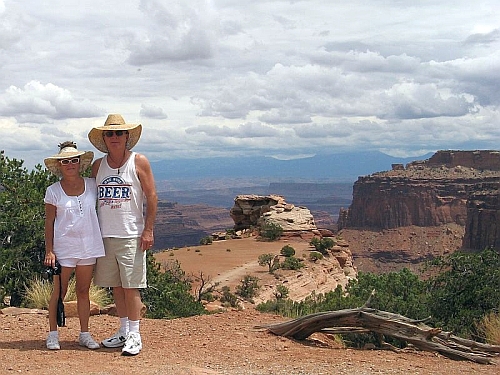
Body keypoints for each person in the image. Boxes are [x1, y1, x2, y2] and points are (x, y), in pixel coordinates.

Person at [88, 114, 157, 356]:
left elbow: (152, 197)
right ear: (104, 138)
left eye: (119, 133)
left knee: (132, 286)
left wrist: (148, 230)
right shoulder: (98, 166)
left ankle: (135, 335)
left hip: (131, 235)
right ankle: (124, 330)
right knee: (116, 286)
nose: (114, 137)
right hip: (105, 235)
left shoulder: (139, 162)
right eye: (110, 133)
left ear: (127, 136)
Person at [43, 141, 105, 350]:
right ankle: (53, 334)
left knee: (83, 290)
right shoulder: (53, 191)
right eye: (65, 161)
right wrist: (49, 250)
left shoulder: (91, 185)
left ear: (79, 163)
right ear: (59, 165)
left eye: (73, 160)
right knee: (59, 291)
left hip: (88, 245)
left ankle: (84, 334)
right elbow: (49, 222)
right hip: (64, 248)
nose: (70, 164)